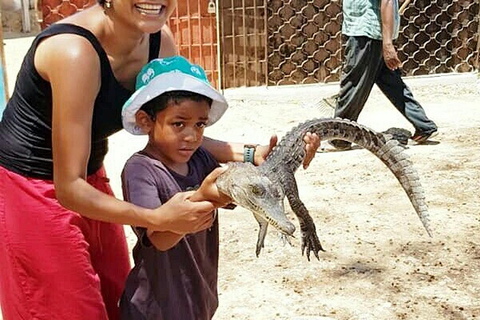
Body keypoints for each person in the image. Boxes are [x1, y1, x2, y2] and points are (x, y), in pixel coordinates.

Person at [0, 0, 320, 319]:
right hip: (32, 188)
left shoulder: (159, 40)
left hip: (90, 176)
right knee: (66, 310)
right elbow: (68, 188)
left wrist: (253, 154)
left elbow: (174, 132)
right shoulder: (74, 51)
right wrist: (157, 218)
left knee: (114, 298)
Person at [119, 55, 233, 320]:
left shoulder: (200, 159)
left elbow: (238, 193)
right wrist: (205, 197)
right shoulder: (141, 170)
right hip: (155, 309)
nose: (192, 136)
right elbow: (158, 239)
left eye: (200, 124)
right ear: (146, 121)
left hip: (199, 297)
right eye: (178, 124)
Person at [331, 0, 438, 150]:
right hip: (370, 32)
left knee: (354, 85)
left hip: (367, 33)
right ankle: (423, 125)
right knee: (392, 84)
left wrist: (387, 43)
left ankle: (339, 137)